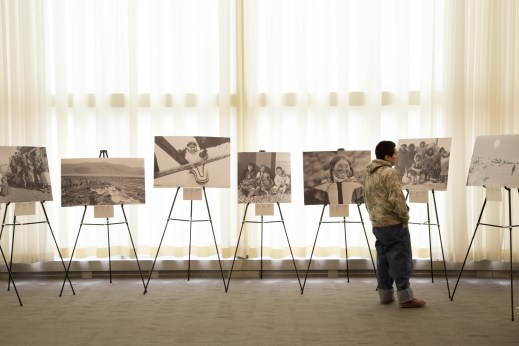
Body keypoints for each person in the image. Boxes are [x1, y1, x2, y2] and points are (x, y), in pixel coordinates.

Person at [364, 140, 426, 308]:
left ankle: (385, 295)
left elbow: (366, 198)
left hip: (377, 223)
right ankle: (405, 297)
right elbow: (396, 198)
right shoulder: (389, 173)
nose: (398, 156)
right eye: (396, 153)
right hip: (393, 223)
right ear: (387, 156)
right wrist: (404, 218)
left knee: (383, 260)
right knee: (401, 260)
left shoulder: (369, 173)